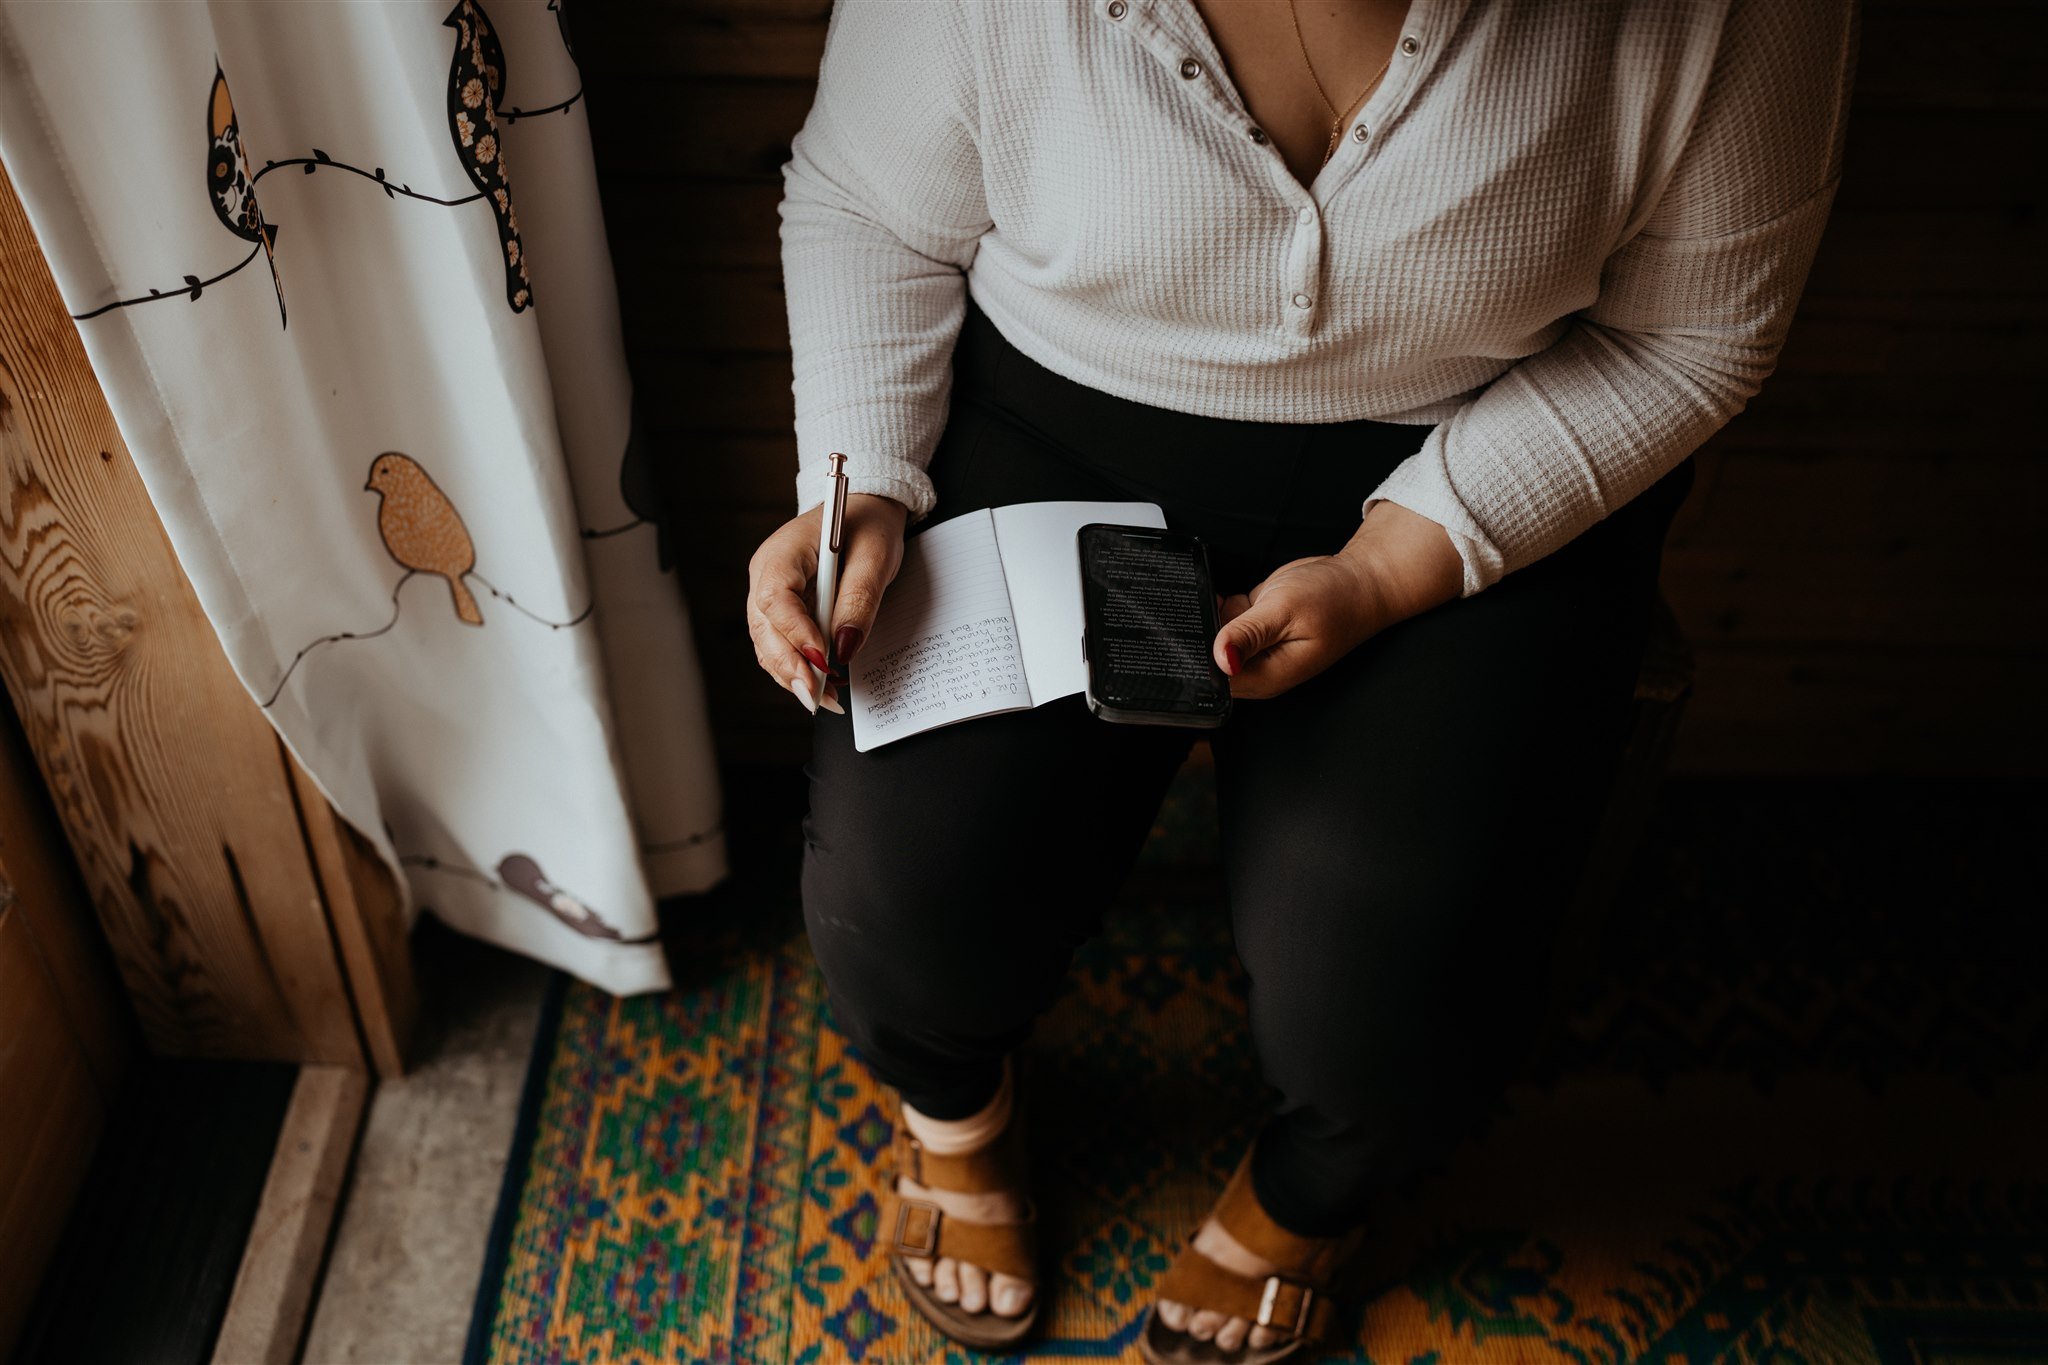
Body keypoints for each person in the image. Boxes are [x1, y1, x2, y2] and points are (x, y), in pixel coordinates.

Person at [745, 0, 1854, 1358]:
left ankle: (1309, 1190)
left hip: (1482, 438)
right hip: (1058, 422)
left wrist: (1396, 564)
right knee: (901, 900)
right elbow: (867, 203)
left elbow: (1694, 334)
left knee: (1390, 972)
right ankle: (957, 1115)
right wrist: (858, 473)